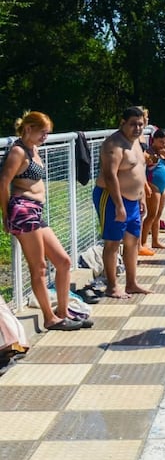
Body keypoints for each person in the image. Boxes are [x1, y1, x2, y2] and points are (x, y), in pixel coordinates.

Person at [0, 112, 88, 330]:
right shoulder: (19, 151)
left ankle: (63, 312)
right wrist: (5, 215)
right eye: (42, 132)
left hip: (36, 212)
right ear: (28, 128)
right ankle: (50, 318)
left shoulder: (34, 149)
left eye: (47, 133)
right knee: (39, 267)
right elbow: (3, 183)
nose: (45, 137)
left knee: (63, 262)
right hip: (23, 211)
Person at [93, 106, 152, 298]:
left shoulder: (136, 142)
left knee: (133, 241)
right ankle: (112, 286)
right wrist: (119, 205)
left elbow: (140, 169)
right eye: (133, 124)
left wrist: (141, 196)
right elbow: (110, 176)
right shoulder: (114, 144)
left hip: (133, 200)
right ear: (123, 123)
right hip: (112, 198)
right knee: (113, 242)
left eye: (140, 124)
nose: (138, 128)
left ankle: (131, 283)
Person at [140, 128, 165, 255]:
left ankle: (155, 241)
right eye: (161, 142)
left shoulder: (164, 153)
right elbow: (141, 169)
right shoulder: (148, 152)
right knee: (151, 215)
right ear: (154, 140)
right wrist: (146, 185)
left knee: (158, 216)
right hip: (153, 186)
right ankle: (143, 242)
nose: (163, 145)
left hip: (163, 187)